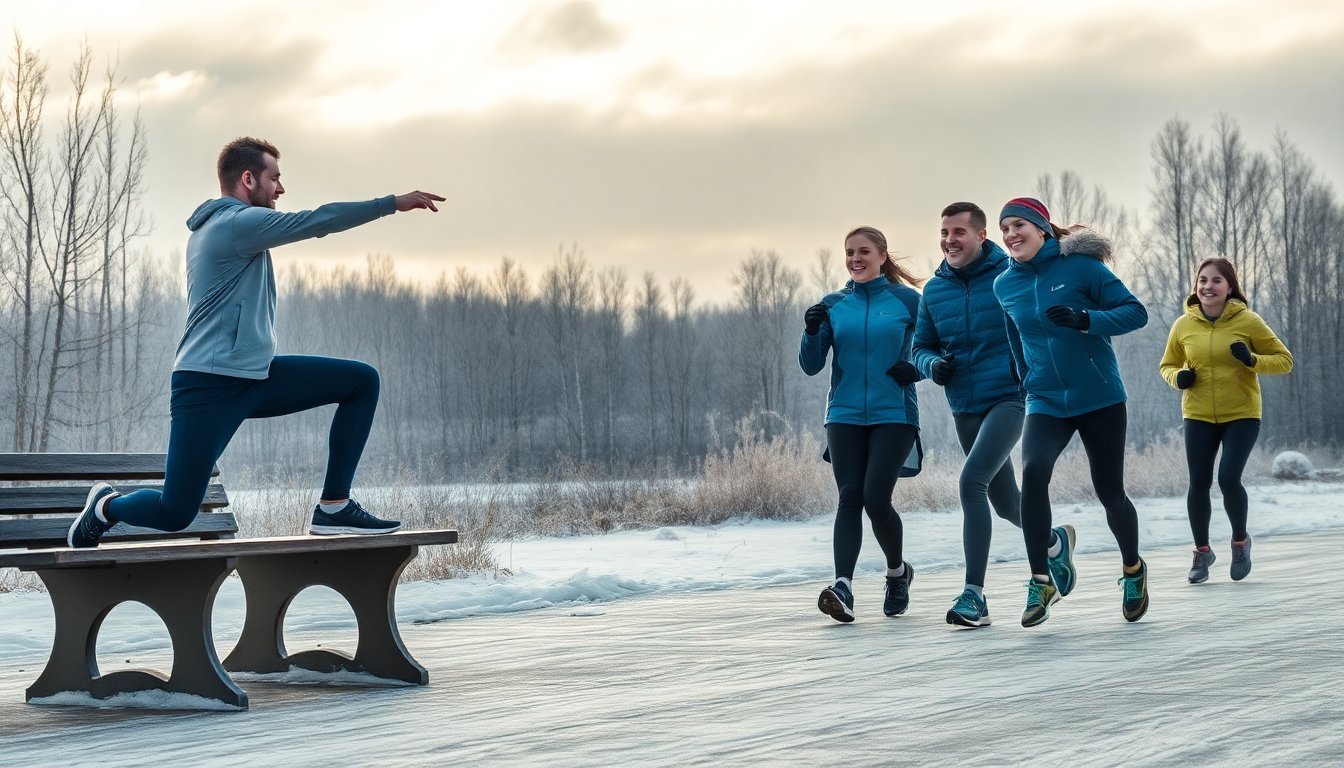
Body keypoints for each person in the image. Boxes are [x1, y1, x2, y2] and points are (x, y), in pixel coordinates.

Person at [67, 137, 445, 548]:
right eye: (274, 179)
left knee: (360, 382)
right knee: (174, 512)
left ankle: (334, 506)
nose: (281, 189)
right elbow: (317, 221)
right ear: (248, 179)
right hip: (208, 384)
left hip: (254, 375)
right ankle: (106, 507)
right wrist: (391, 202)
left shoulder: (233, 227)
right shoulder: (234, 225)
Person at [993, 197, 1149, 626]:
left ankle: (1133, 569)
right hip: (1045, 399)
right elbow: (1014, 333)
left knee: (1109, 492)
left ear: (1043, 229)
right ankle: (1041, 578)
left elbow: (1136, 313)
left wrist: (1086, 320)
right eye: (1004, 228)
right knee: (1035, 472)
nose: (1010, 235)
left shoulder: (1082, 269)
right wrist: (1023, 372)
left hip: (1098, 396)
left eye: (1019, 225)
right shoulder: (1005, 284)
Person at [913, 201, 1056, 628]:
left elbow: (1036, 321)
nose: (949, 240)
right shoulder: (934, 291)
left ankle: (974, 596)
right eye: (944, 233)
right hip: (963, 404)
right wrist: (932, 366)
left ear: (980, 236)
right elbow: (920, 346)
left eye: (958, 232)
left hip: (1009, 398)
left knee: (971, 482)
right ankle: (1052, 541)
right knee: (1006, 502)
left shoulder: (1009, 276)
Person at [799, 226, 923, 622]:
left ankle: (896, 573)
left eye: (863, 251)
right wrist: (811, 330)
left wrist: (916, 368)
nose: (855, 258)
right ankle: (843, 586)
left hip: (895, 414)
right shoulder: (834, 304)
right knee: (850, 496)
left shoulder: (908, 301)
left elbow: (935, 348)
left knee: (875, 497)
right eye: (849, 252)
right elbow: (811, 365)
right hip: (844, 414)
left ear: (882, 256)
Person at [1159, 258, 1292, 583]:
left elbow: (1285, 360)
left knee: (1229, 478)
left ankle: (1239, 542)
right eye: (1202, 280)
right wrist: (1180, 378)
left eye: (1216, 280)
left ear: (1229, 286)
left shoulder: (1248, 321)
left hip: (1242, 414)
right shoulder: (1183, 325)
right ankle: (1202, 552)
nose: (1207, 286)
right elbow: (1167, 365)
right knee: (1199, 482)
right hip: (1198, 414)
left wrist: (1251, 360)